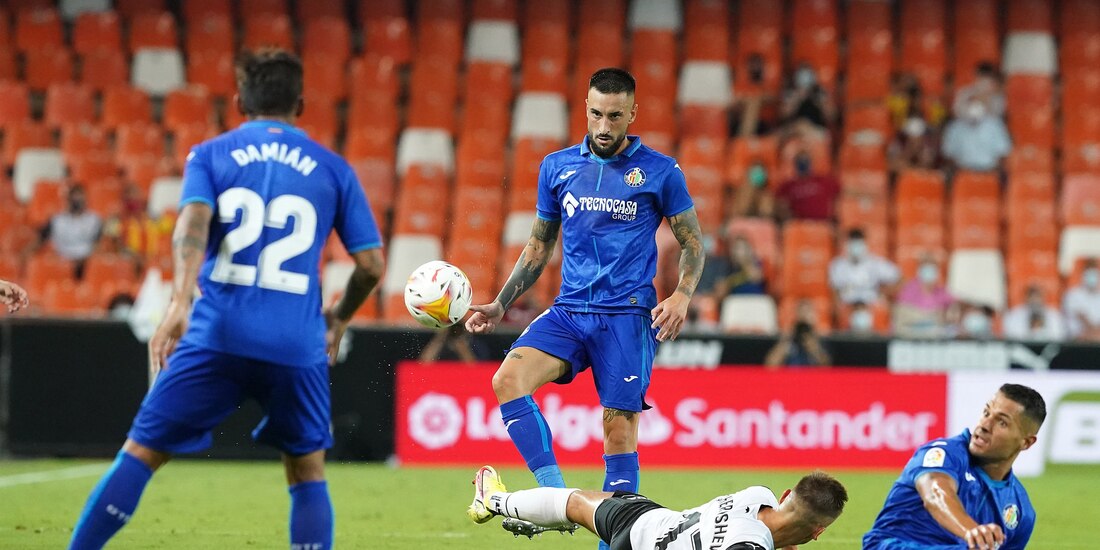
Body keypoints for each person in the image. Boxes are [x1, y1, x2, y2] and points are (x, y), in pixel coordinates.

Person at [67, 49, 386, 550]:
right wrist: (340, 319)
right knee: (307, 473)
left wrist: (178, 302)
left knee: (141, 454)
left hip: (217, 334)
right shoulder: (334, 169)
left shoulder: (210, 155)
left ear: (239, 101)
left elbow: (192, 225)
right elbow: (371, 266)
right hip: (294, 344)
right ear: (300, 103)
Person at [464, 67, 704, 545]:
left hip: (627, 317)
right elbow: (537, 247)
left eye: (615, 116)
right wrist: (499, 303)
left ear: (632, 114)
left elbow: (693, 242)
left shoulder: (660, 171)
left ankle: (608, 541)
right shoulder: (556, 167)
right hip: (570, 310)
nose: (604, 126)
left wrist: (681, 295)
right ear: (586, 109)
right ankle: (556, 500)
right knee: (506, 379)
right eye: (596, 113)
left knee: (618, 432)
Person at [468, 465, 848, 549]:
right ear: (819, 532)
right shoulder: (748, 547)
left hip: (645, 519)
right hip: (641, 540)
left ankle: (495, 500)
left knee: (574, 502)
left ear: (784, 496)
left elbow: (778, 529)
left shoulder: (757, 494)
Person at [864, 384, 1045, 549]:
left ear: (1026, 442)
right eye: (986, 413)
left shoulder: (1021, 511)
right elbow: (935, 493)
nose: (984, 425)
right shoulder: (945, 454)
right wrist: (971, 531)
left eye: (1002, 422)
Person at [25, 184, 103, 273]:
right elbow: (40, 241)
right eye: (74, 197)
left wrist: (88, 260)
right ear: (68, 199)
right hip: (61, 263)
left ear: (86, 199)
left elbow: (100, 244)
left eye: (80, 197)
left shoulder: (95, 220)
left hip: (86, 264)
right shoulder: (57, 220)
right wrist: (26, 255)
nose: (77, 201)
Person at [828, 229, 900, 306]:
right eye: (853, 243)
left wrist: (884, 292)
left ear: (865, 244)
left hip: (871, 307)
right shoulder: (838, 265)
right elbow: (835, 292)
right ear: (846, 245)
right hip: (848, 308)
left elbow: (900, 279)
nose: (855, 248)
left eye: (858, 244)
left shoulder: (876, 263)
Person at [941, 98, 1012, 173]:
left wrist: (995, 171)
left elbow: (1003, 152)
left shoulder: (995, 125)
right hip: (964, 171)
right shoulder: (955, 127)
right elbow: (948, 154)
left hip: (989, 170)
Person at [893, 256, 955, 338]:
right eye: (926, 269)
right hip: (910, 337)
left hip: (935, 337)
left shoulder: (942, 292)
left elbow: (952, 311)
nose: (929, 273)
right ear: (919, 271)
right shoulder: (908, 289)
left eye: (932, 270)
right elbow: (902, 316)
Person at [774, 150, 840, 221]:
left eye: (805, 161)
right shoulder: (788, 185)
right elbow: (779, 203)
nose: (803, 164)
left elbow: (839, 194)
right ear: (795, 165)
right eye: (800, 162)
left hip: (822, 224)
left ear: (811, 163)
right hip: (799, 226)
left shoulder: (823, 181)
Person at [764, 300, 831, 368]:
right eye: (801, 312)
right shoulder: (789, 339)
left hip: (812, 376)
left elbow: (827, 367)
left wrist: (813, 347)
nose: (804, 317)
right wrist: (787, 339)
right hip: (791, 375)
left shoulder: (821, 340)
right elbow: (771, 365)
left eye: (807, 313)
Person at [1002, 285, 1066, 341]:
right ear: (1025, 298)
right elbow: (1011, 336)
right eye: (1031, 296)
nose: (1035, 300)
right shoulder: (1014, 314)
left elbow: (1059, 336)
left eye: (1038, 296)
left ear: (1044, 298)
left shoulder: (1054, 315)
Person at [1063, 258, 1100, 340]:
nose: (1092, 277)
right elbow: (1083, 319)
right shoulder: (1073, 294)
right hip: (1078, 338)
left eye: (1094, 274)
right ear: (1083, 275)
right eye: (1089, 274)